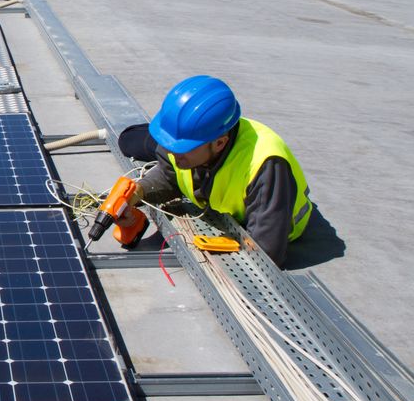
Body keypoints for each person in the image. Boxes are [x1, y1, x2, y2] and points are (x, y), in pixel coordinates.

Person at [133, 75, 312, 267]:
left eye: (180, 148)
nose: (170, 152)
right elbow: (170, 175)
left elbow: (266, 252)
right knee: (130, 142)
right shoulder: (188, 145)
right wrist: (137, 192)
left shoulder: (265, 164)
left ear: (219, 143)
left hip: (271, 223)